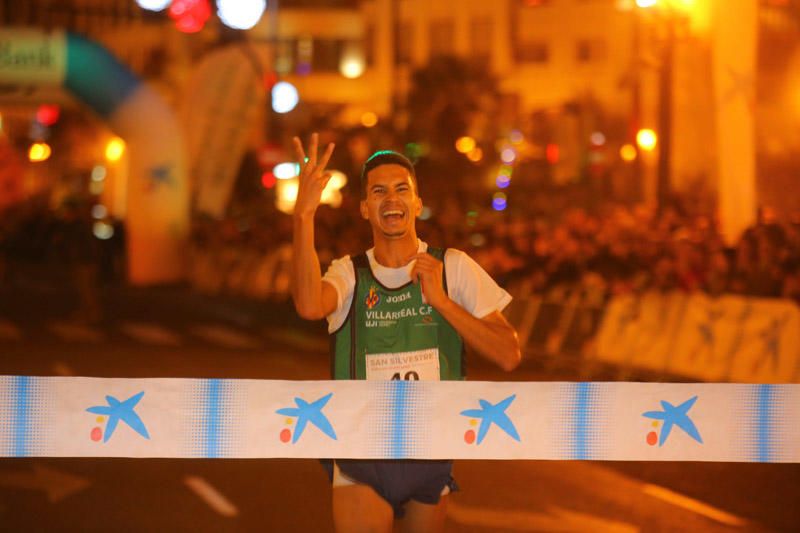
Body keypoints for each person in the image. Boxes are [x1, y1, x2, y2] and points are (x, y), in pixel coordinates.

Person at [291, 133, 521, 533]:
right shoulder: (350, 272)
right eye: (378, 192)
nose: (391, 199)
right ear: (365, 208)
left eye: (402, 189)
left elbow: (508, 353)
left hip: (430, 451)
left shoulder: (453, 267)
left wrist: (443, 303)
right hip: (363, 453)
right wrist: (303, 217)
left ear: (417, 203)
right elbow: (310, 305)